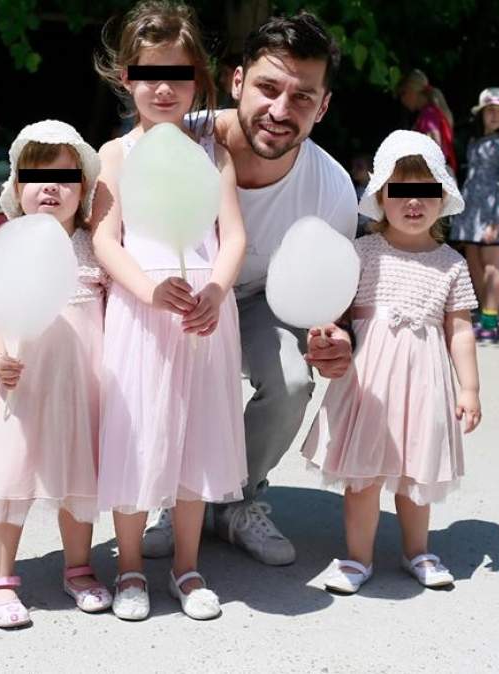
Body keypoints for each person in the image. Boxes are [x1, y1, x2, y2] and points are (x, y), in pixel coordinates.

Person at [141, 11, 358, 567]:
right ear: (237, 81)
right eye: (268, 87)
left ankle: (235, 499)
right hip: (177, 298)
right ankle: (174, 495)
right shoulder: (174, 140)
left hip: (261, 303)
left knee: (292, 380)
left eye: (302, 97)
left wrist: (337, 339)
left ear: (323, 107)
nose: (281, 110)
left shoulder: (332, 188)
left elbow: (328, 301)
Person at [92, 0, 247, 621]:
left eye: (178, 74)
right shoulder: (115, 154)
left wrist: (217, 290)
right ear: (126, 77)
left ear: (197, 80)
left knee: (195, 439)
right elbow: (107, 239)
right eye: (149, 73)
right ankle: (130, 566)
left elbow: (232, 236)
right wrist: (148, 291)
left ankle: (187, 565)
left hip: (203, 313)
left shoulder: (213, 154)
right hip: (140, 315)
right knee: (137, 437)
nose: (164, 88)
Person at [0, 120, 112, 628]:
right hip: (20, 388)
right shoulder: (10, 242)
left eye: (64, 178)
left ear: (83, 190)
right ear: (18, 188)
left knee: (78, 481)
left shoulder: (93, 246)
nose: (50, 188)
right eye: (37, 177)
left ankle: (79, 567)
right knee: (9, 482)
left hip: (81, 386)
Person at [302, 130, 482, 594]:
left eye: (426, 191)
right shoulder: (364, 252)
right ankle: (357, 557)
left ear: (443, 197)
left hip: (424, 383)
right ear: (381, 197)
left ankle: (417, 550)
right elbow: (337, 307)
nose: (413, 202)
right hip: (370, 385)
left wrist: (469, 388)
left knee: (416, 472)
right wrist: (326, 330)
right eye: (400, 190)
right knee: (362, 477)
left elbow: (460, 330)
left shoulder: (451, 264)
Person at [449, 87, 499, 341]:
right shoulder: (474, 142)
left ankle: (491, 321)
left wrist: (496, 220)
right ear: (481, 114)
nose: (495, 115)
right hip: (472, 212)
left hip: (494, 211)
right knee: (473, 264)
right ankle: (483, 316)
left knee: (492, 265)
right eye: (490, 110)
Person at [399, 69, 457, 174]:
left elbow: (435, 146)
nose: (402, 99)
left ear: (412, 90)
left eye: (403, 93)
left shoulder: (428, 114)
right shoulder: (433, 112)